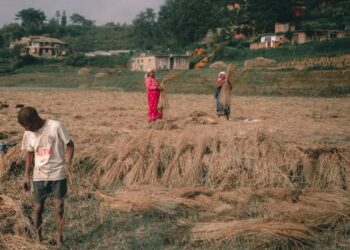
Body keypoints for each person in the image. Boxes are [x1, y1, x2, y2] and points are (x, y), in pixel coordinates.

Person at [17, 107, 74, 247]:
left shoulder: (56, 126)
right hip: (39, 174)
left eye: (28, 126)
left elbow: (70, 145)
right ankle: (39, 239)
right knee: (38, 209)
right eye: (25, 128)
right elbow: (29, 154)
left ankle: (59, 239)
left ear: (35, 120)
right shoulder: (28, 133)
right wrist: (26, 175)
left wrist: (68, 163)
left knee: (59, 207)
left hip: (57, 173)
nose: (27, 130)